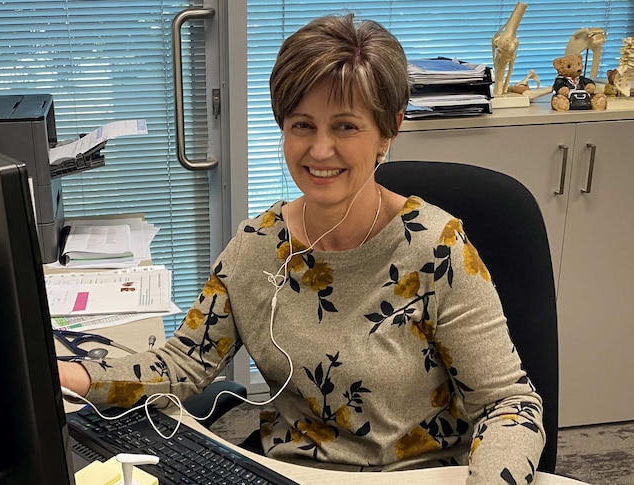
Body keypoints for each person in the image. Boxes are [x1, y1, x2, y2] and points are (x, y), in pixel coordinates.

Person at [59, 13, 544, 483]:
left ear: (388, 130)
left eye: (346, 127)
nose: (319, 150)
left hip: (414, 476)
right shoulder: (258, 246)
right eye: (302, 125)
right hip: (290, 473)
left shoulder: (436, 250)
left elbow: (510, 404)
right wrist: (70, 376)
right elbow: (184, 363)